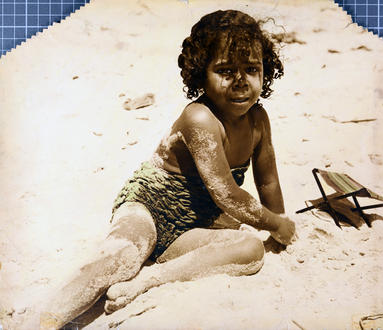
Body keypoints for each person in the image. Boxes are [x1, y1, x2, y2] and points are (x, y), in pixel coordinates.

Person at [39, 9, 296, 329]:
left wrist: (279, 224)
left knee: (250, 249)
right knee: (122, 256)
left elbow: (267, 178)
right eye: (226, 70)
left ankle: (150, 280)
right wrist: (274, 222)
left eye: (252, 69)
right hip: (150, 206)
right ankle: (46, 319)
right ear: (200, 74)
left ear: (265, 72)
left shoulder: (259, 120)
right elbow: (227, 194)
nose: (241, 81)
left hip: (196, 224)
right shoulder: (200, 118)